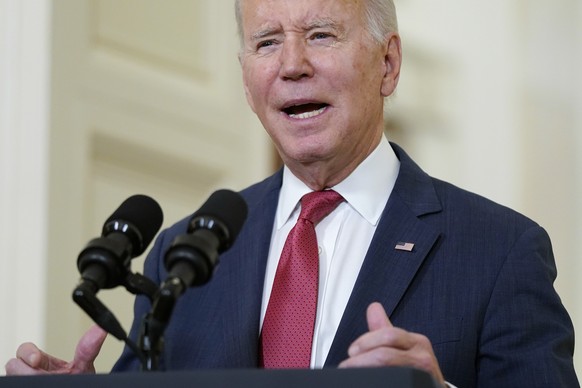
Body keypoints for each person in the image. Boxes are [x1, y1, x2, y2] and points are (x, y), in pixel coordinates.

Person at [5, 0, 578, 386]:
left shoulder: (501, 250)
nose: (292, 66)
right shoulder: (184, 253)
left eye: (321, 35)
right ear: (246, 78)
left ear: (388, 64)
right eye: (267, 43)